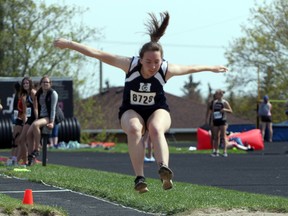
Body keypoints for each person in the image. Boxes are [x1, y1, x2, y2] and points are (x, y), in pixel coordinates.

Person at [53, 11, 228, 193]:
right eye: (148, 62)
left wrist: (211, 67)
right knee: (135, 129)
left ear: (162, 60)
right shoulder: (129, 65)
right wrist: (69, 44)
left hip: (157, 109)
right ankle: (140, 177)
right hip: (131, 110)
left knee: (155, 128)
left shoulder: (166, 70)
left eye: (157, 62)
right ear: (141, 59)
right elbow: (98, 53)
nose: (153, 67)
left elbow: (191, 67)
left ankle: (164, 168)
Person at [26, 75, 63, 166]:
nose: (45, 84)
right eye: (44, 82)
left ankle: (37, 148)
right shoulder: (39, 93)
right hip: (41, 116)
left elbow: (53, 109)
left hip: (49, 116)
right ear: (41, 84)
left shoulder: (53, 93)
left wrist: (51, 122)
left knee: (35, 125)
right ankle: (31, 158)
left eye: (47, 82)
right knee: (28, 134)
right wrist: (36, 117)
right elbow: (36, 106)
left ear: (50, 84)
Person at [16, 77, 37, 165]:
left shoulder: (33, 92)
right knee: (21, 140)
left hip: (35, 118)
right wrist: (25, 122)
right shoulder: (24, 95)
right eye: (24, 83)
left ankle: (30, 159)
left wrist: (37, 120)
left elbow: (36, 108)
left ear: (30, 84)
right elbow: (25, 112)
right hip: (29, 119)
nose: (25, 85)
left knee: (30, 139)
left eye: (27, 83)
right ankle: (26, 160)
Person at [209, 89, 232, 157]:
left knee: (223, 136)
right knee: (216, 137)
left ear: (221, 95)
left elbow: (230, 110)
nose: (216, 95)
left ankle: (225, 151)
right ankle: (216, 151)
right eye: (216, 94)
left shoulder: (225, 102)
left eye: (217, 94)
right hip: (216, 121)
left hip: (222, 120)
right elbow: (213, 112)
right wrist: (212, 121)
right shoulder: (214, 102)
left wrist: (224, 110)